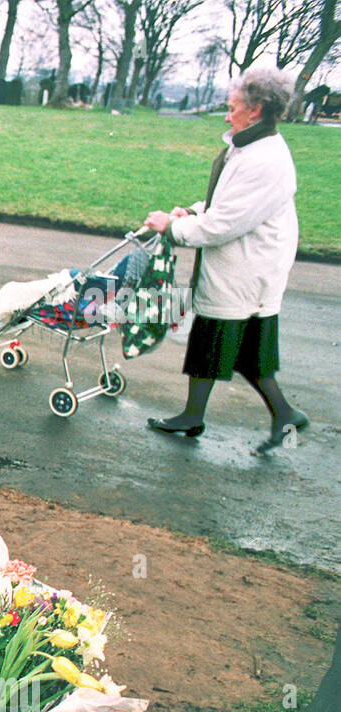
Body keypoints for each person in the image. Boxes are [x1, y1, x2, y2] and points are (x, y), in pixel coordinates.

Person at [143, 65, 307, 456]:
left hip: (248, 267)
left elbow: (224, 223)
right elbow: (223, 202)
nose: (227, 113)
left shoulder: (265, 159)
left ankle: (277, 413)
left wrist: (172, 228)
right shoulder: (248, 145)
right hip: (245, 264)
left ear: (257, 109)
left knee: (224, 341)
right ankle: (209, 414)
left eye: (233, 107)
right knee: (230, 346)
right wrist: (190, 210)